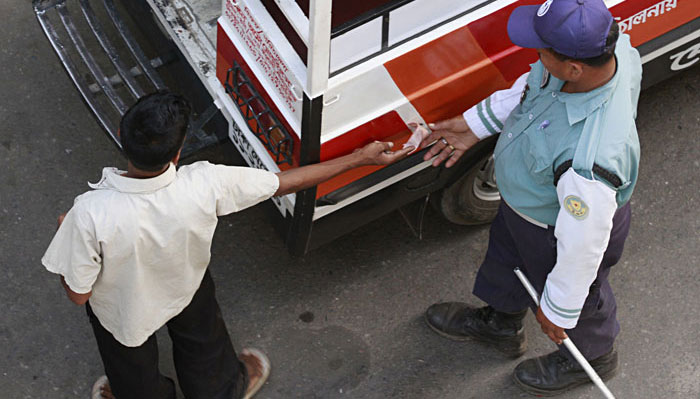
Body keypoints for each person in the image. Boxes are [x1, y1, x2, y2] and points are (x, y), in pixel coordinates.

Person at [42, 91, 413, 399]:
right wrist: (360, 158)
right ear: (177, 152)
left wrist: (67, 236)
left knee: (131, 371)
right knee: (203, 342)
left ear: (121, 132)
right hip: (186, 285)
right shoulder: (206, 182)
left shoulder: (88, 214)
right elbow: (284, 183)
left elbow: (79, 294)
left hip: (123, 310)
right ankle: (222, 391)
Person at [420, 0, 641, 395]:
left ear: (574, 68)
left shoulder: (588, 161)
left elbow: (582, 247)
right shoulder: (611, 52)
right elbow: (532, 90)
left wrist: (559, 310)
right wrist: (473, 125)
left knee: (579, 300)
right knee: (506, 261)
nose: (534, 55)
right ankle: (501, 325)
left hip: (559, 233)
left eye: (541, 50)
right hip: (527, 209)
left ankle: (591, 357)